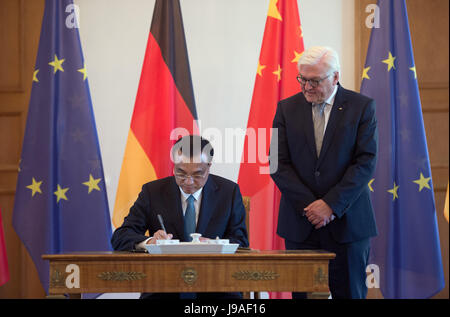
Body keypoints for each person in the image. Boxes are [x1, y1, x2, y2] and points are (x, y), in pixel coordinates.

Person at [270, 46, 378, 299]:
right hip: (301, 223)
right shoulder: (286, 108)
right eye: (302, 79)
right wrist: (312, 206)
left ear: (335, 77)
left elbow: (365, 162)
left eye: (315, 81)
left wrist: (330, 205)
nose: (307, 87)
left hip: (348, 223)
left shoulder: (361, 107)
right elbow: (276, 163)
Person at [111, 135, 248, 299]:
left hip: (217, 286)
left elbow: (241, 242)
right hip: (164, 287)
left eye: (197, 175)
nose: (188, 182)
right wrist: (150, 242)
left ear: (209, 167)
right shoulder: (153, 192)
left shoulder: (229, 192)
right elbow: (120, 236)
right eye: (181, 173)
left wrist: (214, 244)